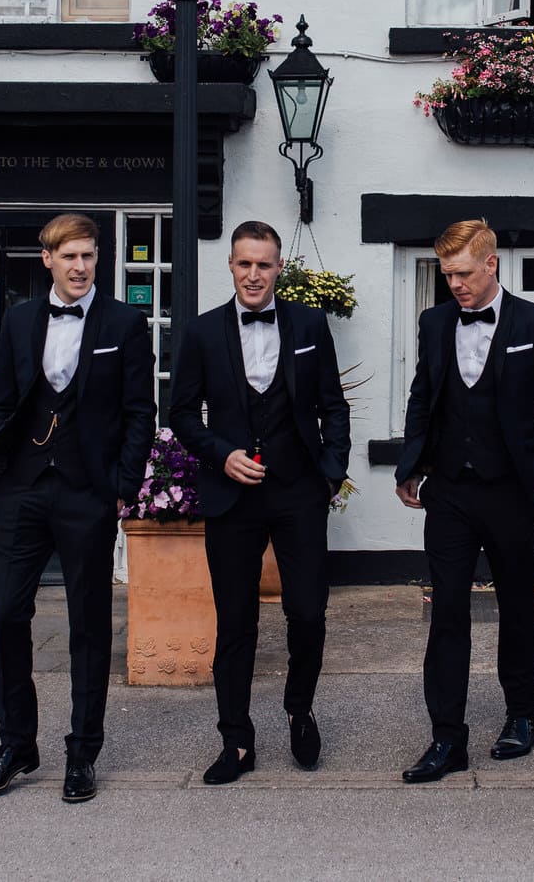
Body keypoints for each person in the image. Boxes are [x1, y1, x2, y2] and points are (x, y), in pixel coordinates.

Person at [0, 212, 155, 805]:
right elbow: (3, 402)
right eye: (69, 256)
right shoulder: (21, 319)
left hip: (88, 492)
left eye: (89, 256)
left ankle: (82, 752)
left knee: (89, 624)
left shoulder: (125, 322)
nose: (80, 267)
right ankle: (17, 742)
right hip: (24, 488)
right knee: (7, 614)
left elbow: (139, 411)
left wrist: (124, 484)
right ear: (46, 259)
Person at [394, 218, 534, 783]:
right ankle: (447, 738)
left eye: (464, 272)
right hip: (448, 490)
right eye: (446, 274)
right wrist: (410, 465)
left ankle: (521, 715)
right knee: (446, 610)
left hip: (513, 492)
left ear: (492, 264)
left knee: (517, 605)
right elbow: (423, 393)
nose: (454, 284)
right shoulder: (434, 322)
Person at [170, 220, 353, 784]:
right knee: (236, 623)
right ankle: (237, 740)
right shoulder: (201, 333)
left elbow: (333, 406)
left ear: (279, 269)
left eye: (265, 264)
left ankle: (299, 710)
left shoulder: (309, 323)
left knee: (307, 612)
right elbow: (179, 415)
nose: (254, 274)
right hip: (232, 498)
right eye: (245, 263)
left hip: (298, 492)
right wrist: (221, 454)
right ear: (231, 265)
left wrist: (330, 473)